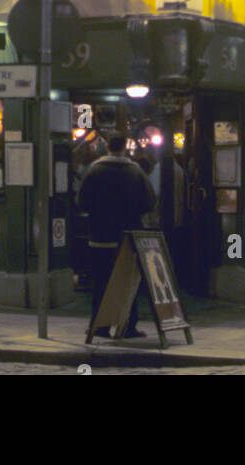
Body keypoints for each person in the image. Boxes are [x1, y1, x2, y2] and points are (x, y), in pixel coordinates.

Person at [77, 136, 155, 338]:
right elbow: (149, 202)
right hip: (128, 237)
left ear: (108, 147)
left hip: (100, 236)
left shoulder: (94, 170)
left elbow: (82, 202)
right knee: (128, 283)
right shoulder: (135, 171)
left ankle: (99, 325)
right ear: (124, 149)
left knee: (101, 282)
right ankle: (128, 325)